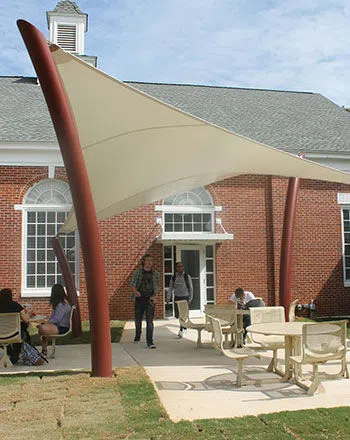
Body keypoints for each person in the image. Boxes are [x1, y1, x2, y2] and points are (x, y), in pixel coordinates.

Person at [131, 254, 160, 349]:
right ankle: (138, 335)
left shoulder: (156, 274)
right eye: (148, 260)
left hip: (150, 299)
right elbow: (133, 284)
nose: (149, 262)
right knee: (138, 319)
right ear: (144, 262)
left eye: (151, 261)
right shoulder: (138, 273)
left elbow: (157, 287)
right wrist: (135, 292)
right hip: (139, 299)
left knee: (149, 321)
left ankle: (150, 342)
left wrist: (155, 296)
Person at [38, 284, 72, 356]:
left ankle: (44, 349)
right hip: (58, 325)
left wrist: (47, 322)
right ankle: (44, 349)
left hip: (62, 327)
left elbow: (57, 319)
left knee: (42, 328)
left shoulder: (62, 305)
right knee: (41, 327)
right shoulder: (61, 303)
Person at [0, 288, 31, 363]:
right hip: (14, 334)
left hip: (0, 334)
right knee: (23, 330)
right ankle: (15, 355)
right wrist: (27, 312)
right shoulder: (16, 306)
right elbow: (26, 320)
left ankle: (9, 353)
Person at [166, 261, 193, 339]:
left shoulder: (187, 277)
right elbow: (170, 288)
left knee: (183, 315)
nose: (181, 268)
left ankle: (182, 330)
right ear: (176, 268)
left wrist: (190, 298)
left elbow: (191, 288)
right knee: (178, 315)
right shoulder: (173, 277)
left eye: (182, 266)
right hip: (177, 297)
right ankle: (184, 327)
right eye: (179, 267)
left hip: (185, 298)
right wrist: (168, 297)